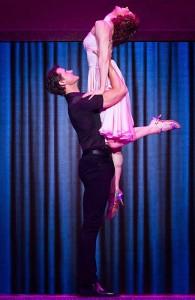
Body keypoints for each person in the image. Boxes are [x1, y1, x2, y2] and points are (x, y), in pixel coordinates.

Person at [83, 6, 181, 220]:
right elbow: (102, 57)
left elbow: (103, 58)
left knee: (112, 141)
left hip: (106, 79)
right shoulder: (104, 25)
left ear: (121, 19)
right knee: (111, 141)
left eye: (127, 10)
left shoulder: (102, 24)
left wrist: (100, 89)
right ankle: (115, 191)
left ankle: (153, 128)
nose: (126, 6)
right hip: (102, 76)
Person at [45, 56, 128, 296]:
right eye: (65, 71)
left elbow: (115, 92)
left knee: (92, 224)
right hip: (96, 164)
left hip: (98, 162)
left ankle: (89, 283)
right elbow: (121, 91)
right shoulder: (80, 102)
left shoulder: (82, 100)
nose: (70, 70)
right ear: (62, 83)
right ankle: (88, 285)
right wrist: (109, 60)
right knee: (91, 225)